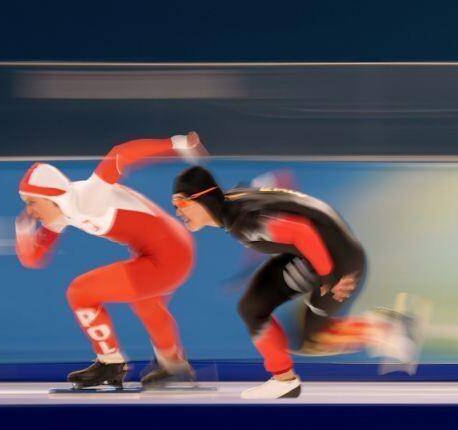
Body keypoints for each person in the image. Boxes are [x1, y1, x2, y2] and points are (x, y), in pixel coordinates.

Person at [171, 165, 416, 399]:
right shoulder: (234, 200)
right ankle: (284, 381)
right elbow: (279, 190)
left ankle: (386, 329)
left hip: (337, 262)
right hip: (311, 254)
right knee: (253, 308)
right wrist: (248, 270)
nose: (178, 212)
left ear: (203, 198)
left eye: (181, 202)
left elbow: (301, 231)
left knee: (312, 338)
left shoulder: (243, 221)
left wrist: (329, 276)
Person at [15, 133, 206, 389]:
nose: (29, 210)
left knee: (81, 291)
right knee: (147, 304)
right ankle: (175, 366)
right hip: (168, 250)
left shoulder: (87, 196)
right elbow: (34, 259)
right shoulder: (61, 213)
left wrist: (175, 144)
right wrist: (23, 233)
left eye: (31, 202)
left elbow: (120, 154)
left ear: (52, 198)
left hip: (170, 255)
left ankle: (110, 363)